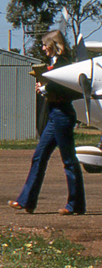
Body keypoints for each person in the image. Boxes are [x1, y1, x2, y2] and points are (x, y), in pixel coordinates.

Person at [8, 30, 86, 215]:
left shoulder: (64, 63)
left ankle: (76, 204)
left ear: (53, 45)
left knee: (68, 160)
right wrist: (44, 88)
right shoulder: (56, 64)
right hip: (55, 115)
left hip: (62, 115)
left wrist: (44, 88)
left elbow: (62, 86)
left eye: (45, 45)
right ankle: (26, 201)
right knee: (39, 156)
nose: (43, 48)